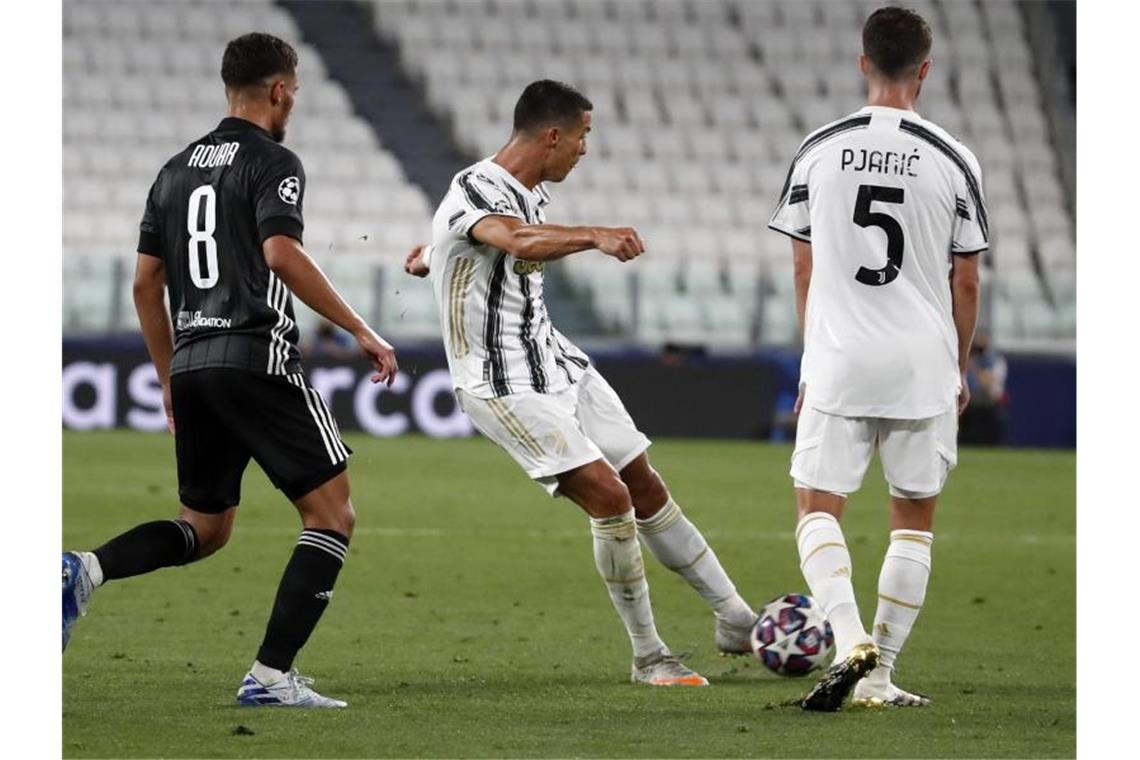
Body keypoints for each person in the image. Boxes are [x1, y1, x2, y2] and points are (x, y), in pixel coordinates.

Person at [61, 33, 399, 709]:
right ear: (279, 90)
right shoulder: (274, 161)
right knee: (332, 516)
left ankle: (83, 570)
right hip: (256, 355)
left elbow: (144, 284)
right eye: (294, 93)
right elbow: (279, 253)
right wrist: (362, 328)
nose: (293, 104)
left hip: (192, 363)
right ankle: (271, 675)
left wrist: (167, 379)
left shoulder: (174, 169)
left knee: (205, 527)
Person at [403, 80, 757, 686]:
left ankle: (736, 619)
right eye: (584, 136)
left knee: (643, 484)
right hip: (499, 381)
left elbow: (483, 242)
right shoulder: (476, 186)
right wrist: (594, 235)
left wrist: (432, 256)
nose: (585, 150)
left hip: (555, 360)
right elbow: (509, 238)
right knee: (609, 498)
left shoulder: (528, 196)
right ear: (552, 135)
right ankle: (650, 657)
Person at [768, 7, 985, 711]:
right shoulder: (954, 158)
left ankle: (849, 636)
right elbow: (968, 278)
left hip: (839, 355)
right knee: (912, 519)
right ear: (925, 70)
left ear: (863, 62)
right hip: (922, 361)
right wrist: (958, 367)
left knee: (816, 507)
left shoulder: (818, 148)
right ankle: (882, 676)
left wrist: (809, 362)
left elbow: (803, 269)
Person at [960, 330, 1008, 444]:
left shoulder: (996, 360)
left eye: (983, 340)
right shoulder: (969, 357)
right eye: (978, 340)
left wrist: (974, 368)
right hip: (971, 404)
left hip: (990, 402)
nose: (980, 344)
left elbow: (987, 381)